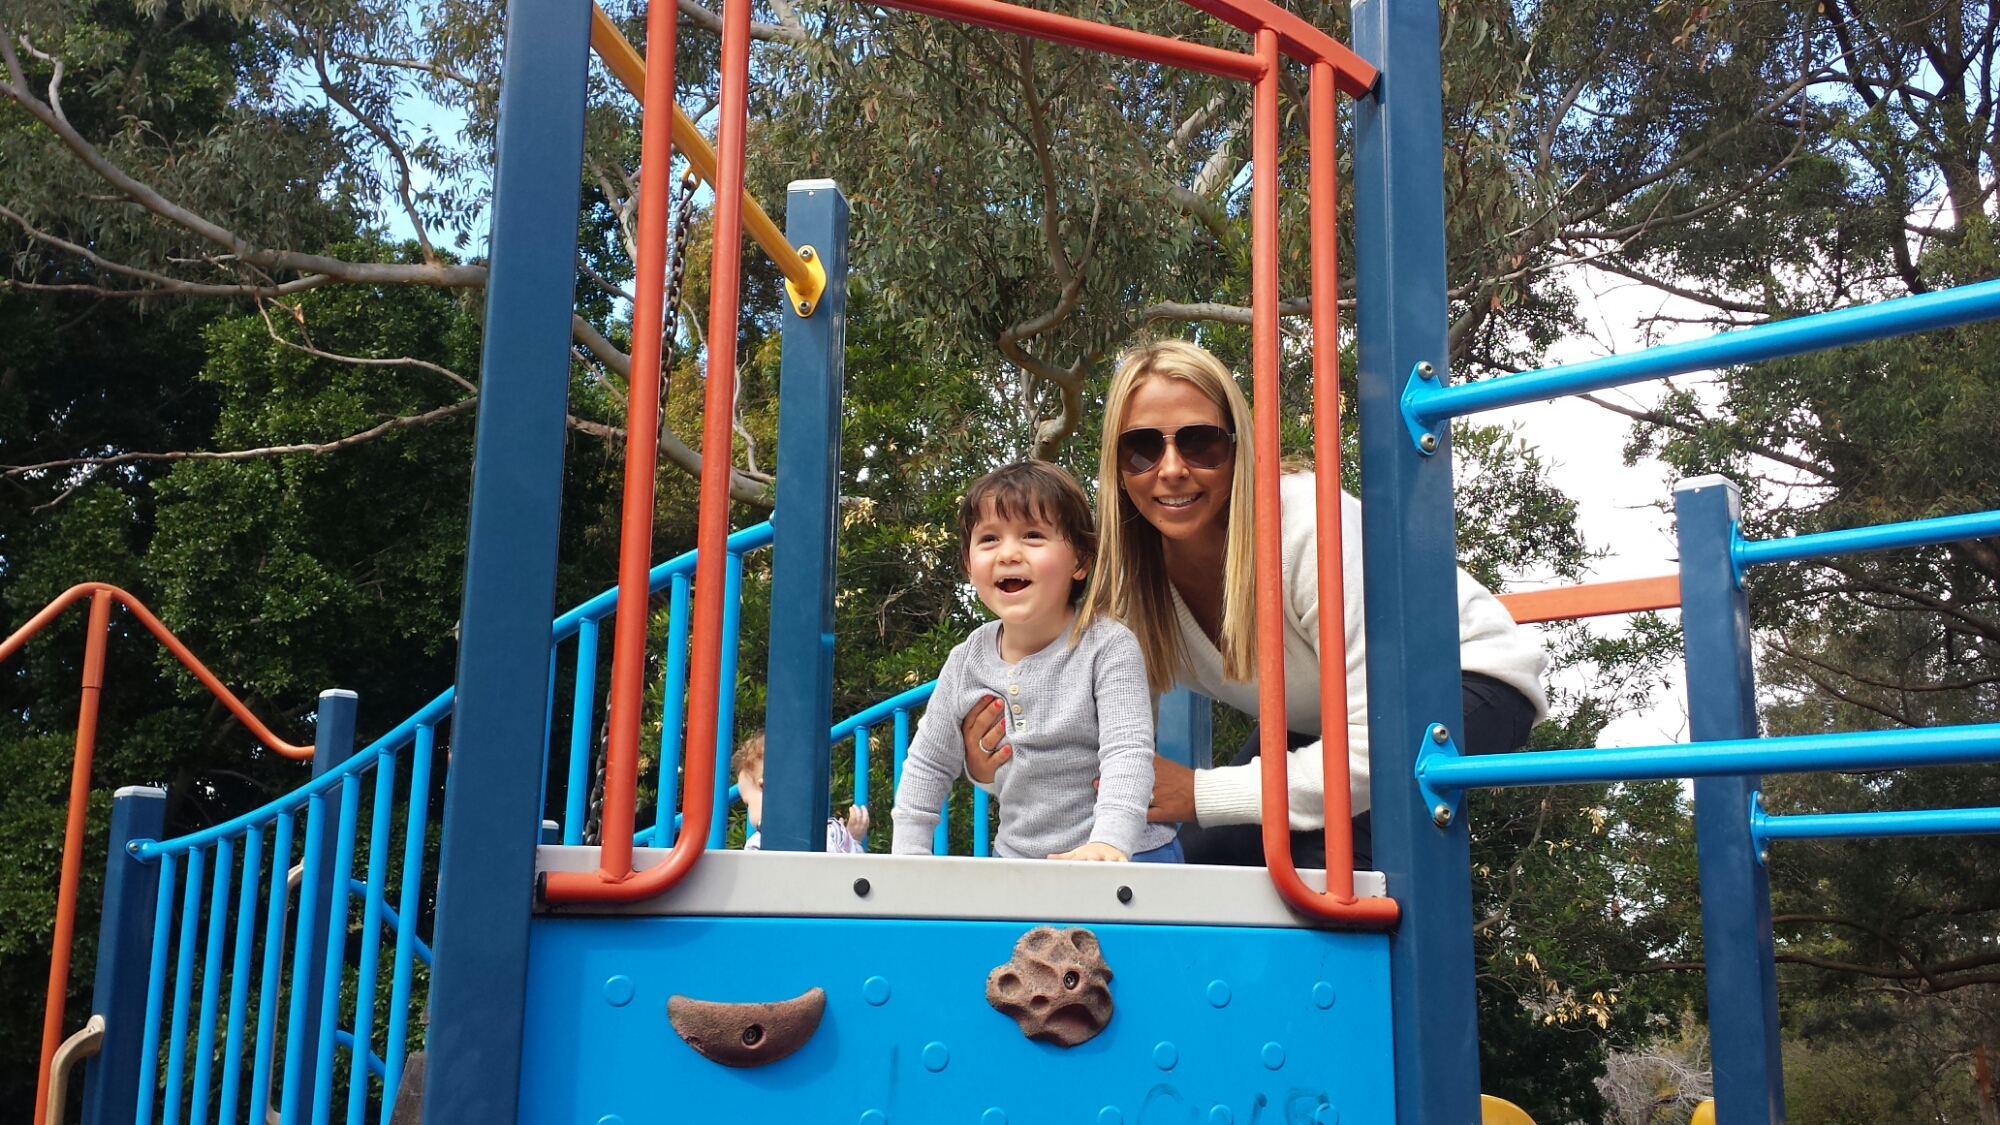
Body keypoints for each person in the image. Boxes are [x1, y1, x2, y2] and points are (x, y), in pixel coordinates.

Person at [960, 340, 1547, 868]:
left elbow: (1375, 744)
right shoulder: (1130, 582)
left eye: (1201, 443)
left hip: (1460, 680)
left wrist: (1198, 792)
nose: (1171, 469)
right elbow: (1084, 742)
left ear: (1237, 449)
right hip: (1325, 723)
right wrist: (992, 767)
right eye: (1141, 448)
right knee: (1199, 862)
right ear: (1117, 465)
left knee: (1319, 872)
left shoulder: (1305, 527)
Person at [891, 461, 1181, 862]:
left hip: (1125, 853)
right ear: (968, 566)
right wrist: (909, 855)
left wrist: (1110, 842)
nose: (1009, 553)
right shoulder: (965, 661)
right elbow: (927, 764)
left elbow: (1127, 751)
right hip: (1017, 858)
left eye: (1032, 535)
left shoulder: (1107, 646)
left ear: (1080, 561)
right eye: (989, 539)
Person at [734, 730, 869, 853]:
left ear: (767, 790)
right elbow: (853, 867)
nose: (749, 811)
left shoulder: (758, 843)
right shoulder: (833, 830)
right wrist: (853, 841)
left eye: (748, 803)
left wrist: (852, 839)